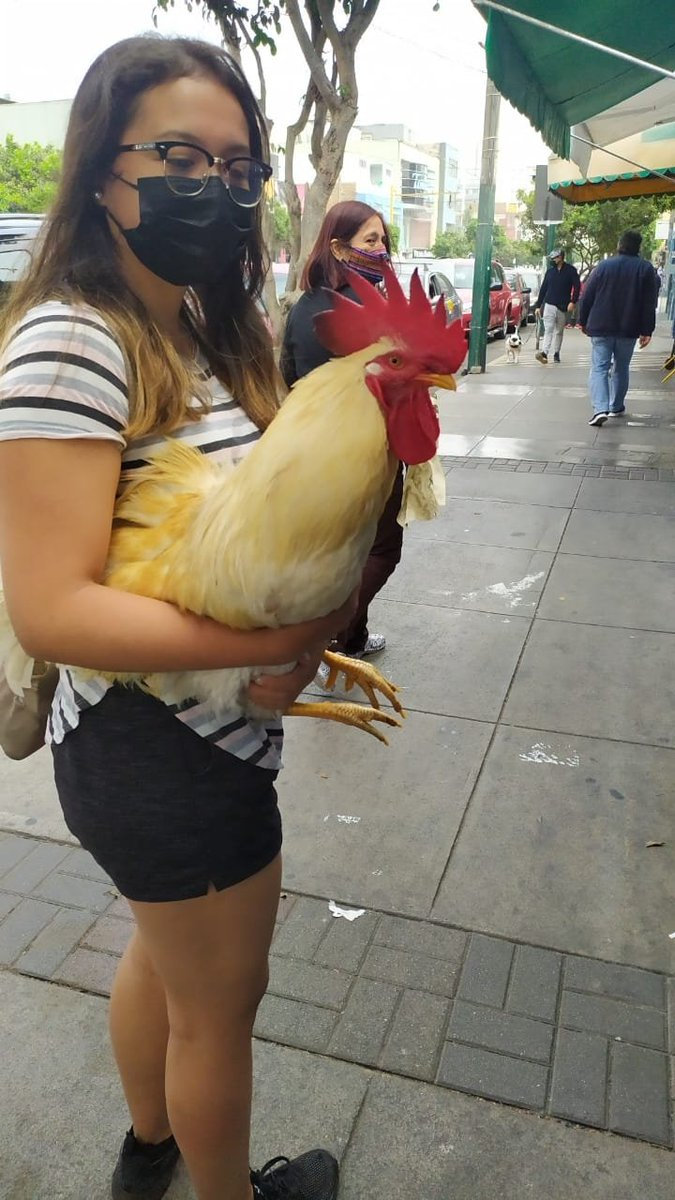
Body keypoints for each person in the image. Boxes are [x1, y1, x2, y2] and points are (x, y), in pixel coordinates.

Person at [0, 35, 351, 1200]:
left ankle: (150, 1147)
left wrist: (288, 648)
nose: (216, 185)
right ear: (104, 167)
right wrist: (268, 646)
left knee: (165, 954)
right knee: (222, 1011)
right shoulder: (75, 338)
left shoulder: (195, 328)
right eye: (180, 156)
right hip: (162, 757)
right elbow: (51, 608)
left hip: (183, 743)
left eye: (239, 166)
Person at [281, 201, 403, 663]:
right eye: (370, 241)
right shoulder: (344, 312)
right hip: (355, 451)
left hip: (321, 450)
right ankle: (332, 633)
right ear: (338, 246)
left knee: (351, 548)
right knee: (378, 550)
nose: (381, 250)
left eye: (384, 240)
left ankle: (352, 636)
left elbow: (289, 375)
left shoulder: (309, 304)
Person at [578, 229, 659, 427]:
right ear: (638, 247)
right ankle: (616, 406)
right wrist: (647, 330)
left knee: (599, 367)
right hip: (628, 328)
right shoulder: (646, 269)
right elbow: (650, 303)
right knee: (621, 368)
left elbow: (587, 296)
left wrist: (583, 320)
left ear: (619, 245)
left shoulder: (604, 266)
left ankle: (600, 409)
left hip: (601, 326)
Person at [534, 247, 580, 364]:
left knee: (559, 331)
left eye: (554, 258)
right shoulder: (550, 272)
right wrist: (538, 306)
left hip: (563, 306)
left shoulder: (571, 270)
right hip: (549, 304)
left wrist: (573, 301)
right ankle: (544, 352)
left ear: (560, 258)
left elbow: (577, 287)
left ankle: (556, 352)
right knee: (548, 329)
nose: (552, 260)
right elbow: (543, 289)